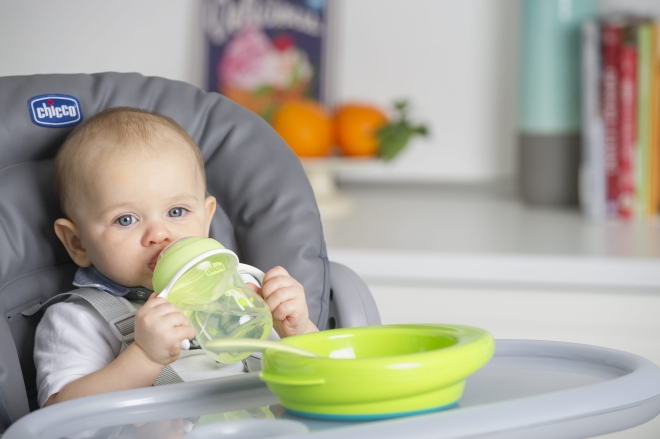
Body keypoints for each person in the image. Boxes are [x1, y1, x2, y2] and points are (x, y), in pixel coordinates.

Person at [35, 107, 318, 408]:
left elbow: (322, 382)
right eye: (126, 219)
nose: (160, 234)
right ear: (78, 243)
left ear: (207, 218)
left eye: (176, 212)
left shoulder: (243, 294)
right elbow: (59, 420)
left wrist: (297, 331)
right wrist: (143, 357)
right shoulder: (80, 320)